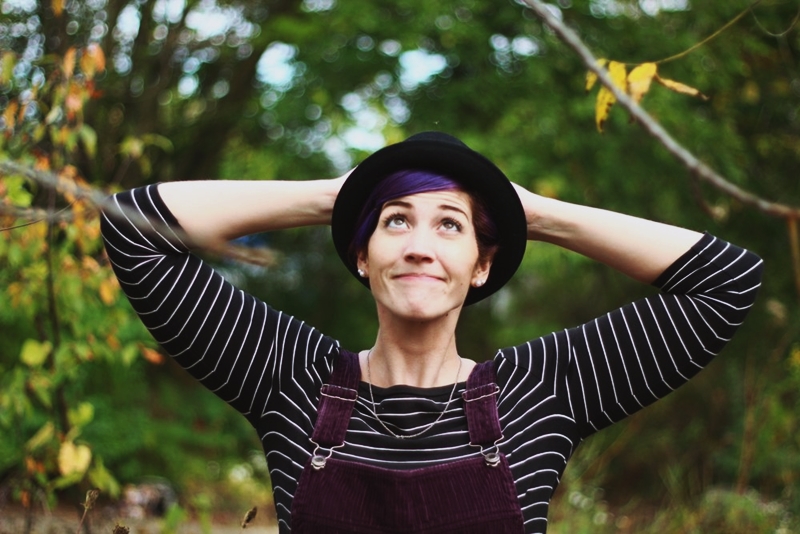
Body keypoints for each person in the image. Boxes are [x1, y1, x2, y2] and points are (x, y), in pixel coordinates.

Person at [101, 132, 763, 533]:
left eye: (450, 225)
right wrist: (340, 196)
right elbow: (132, 227)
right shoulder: (290, 378)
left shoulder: (539, 393)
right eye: (394, 221)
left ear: (482, 265)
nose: (420, 246)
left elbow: (726, 281)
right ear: (361, 255)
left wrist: (529, 211)